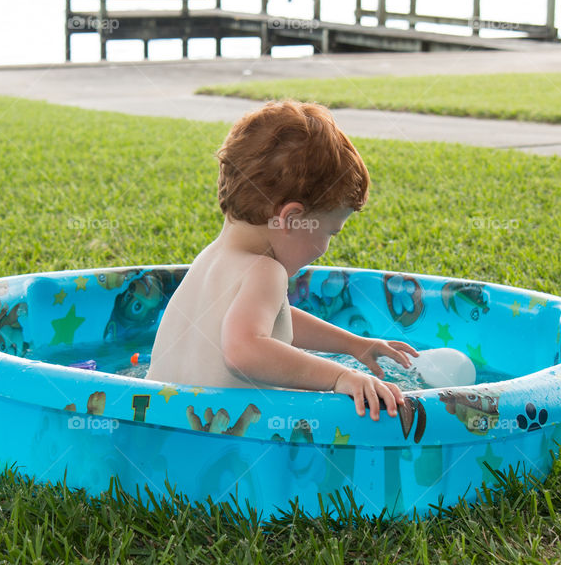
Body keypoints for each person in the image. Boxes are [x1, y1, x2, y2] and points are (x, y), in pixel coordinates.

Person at [145, 99, 418, 421]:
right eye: (331, 232)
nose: (325, 248)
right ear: (292, 219)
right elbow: (244, 351)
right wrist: (339, 376)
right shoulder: (265, 270)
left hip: (163, 419)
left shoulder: (212, 259)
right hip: (218, 437)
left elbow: (273, 319)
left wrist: (352, 344)